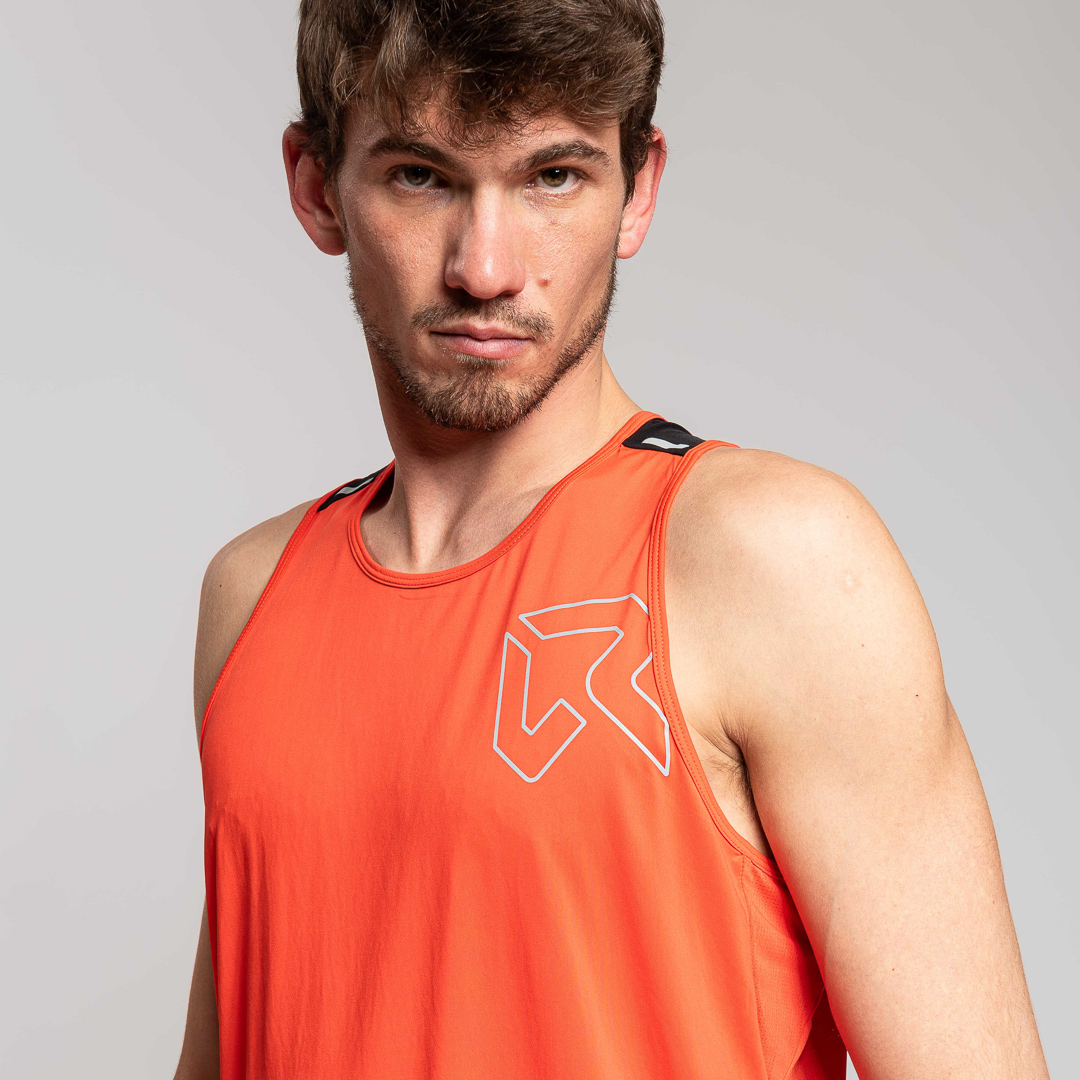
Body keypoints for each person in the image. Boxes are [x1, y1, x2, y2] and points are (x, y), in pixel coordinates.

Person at [174, 2, 1051, 1077]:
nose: (486, 268)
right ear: (317, 187)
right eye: (421, 177)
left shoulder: (771, 559)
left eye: (553, 177)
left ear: (637, 191)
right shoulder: (253, 596)